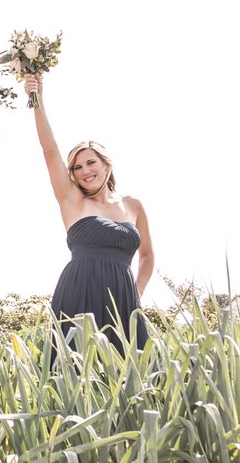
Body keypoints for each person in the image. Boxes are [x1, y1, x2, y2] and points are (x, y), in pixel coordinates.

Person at [23, 73, 153, 350]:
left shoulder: (133, 205)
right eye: (77, 168)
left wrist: (137, 292)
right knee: (75, 370)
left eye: (90, 163)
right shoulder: (72, 200)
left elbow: (148, 255)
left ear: (107, 165)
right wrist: (37, 100)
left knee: (128, 371)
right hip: (78, 292)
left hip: (123, 298)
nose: (85, 172)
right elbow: (49, 150)